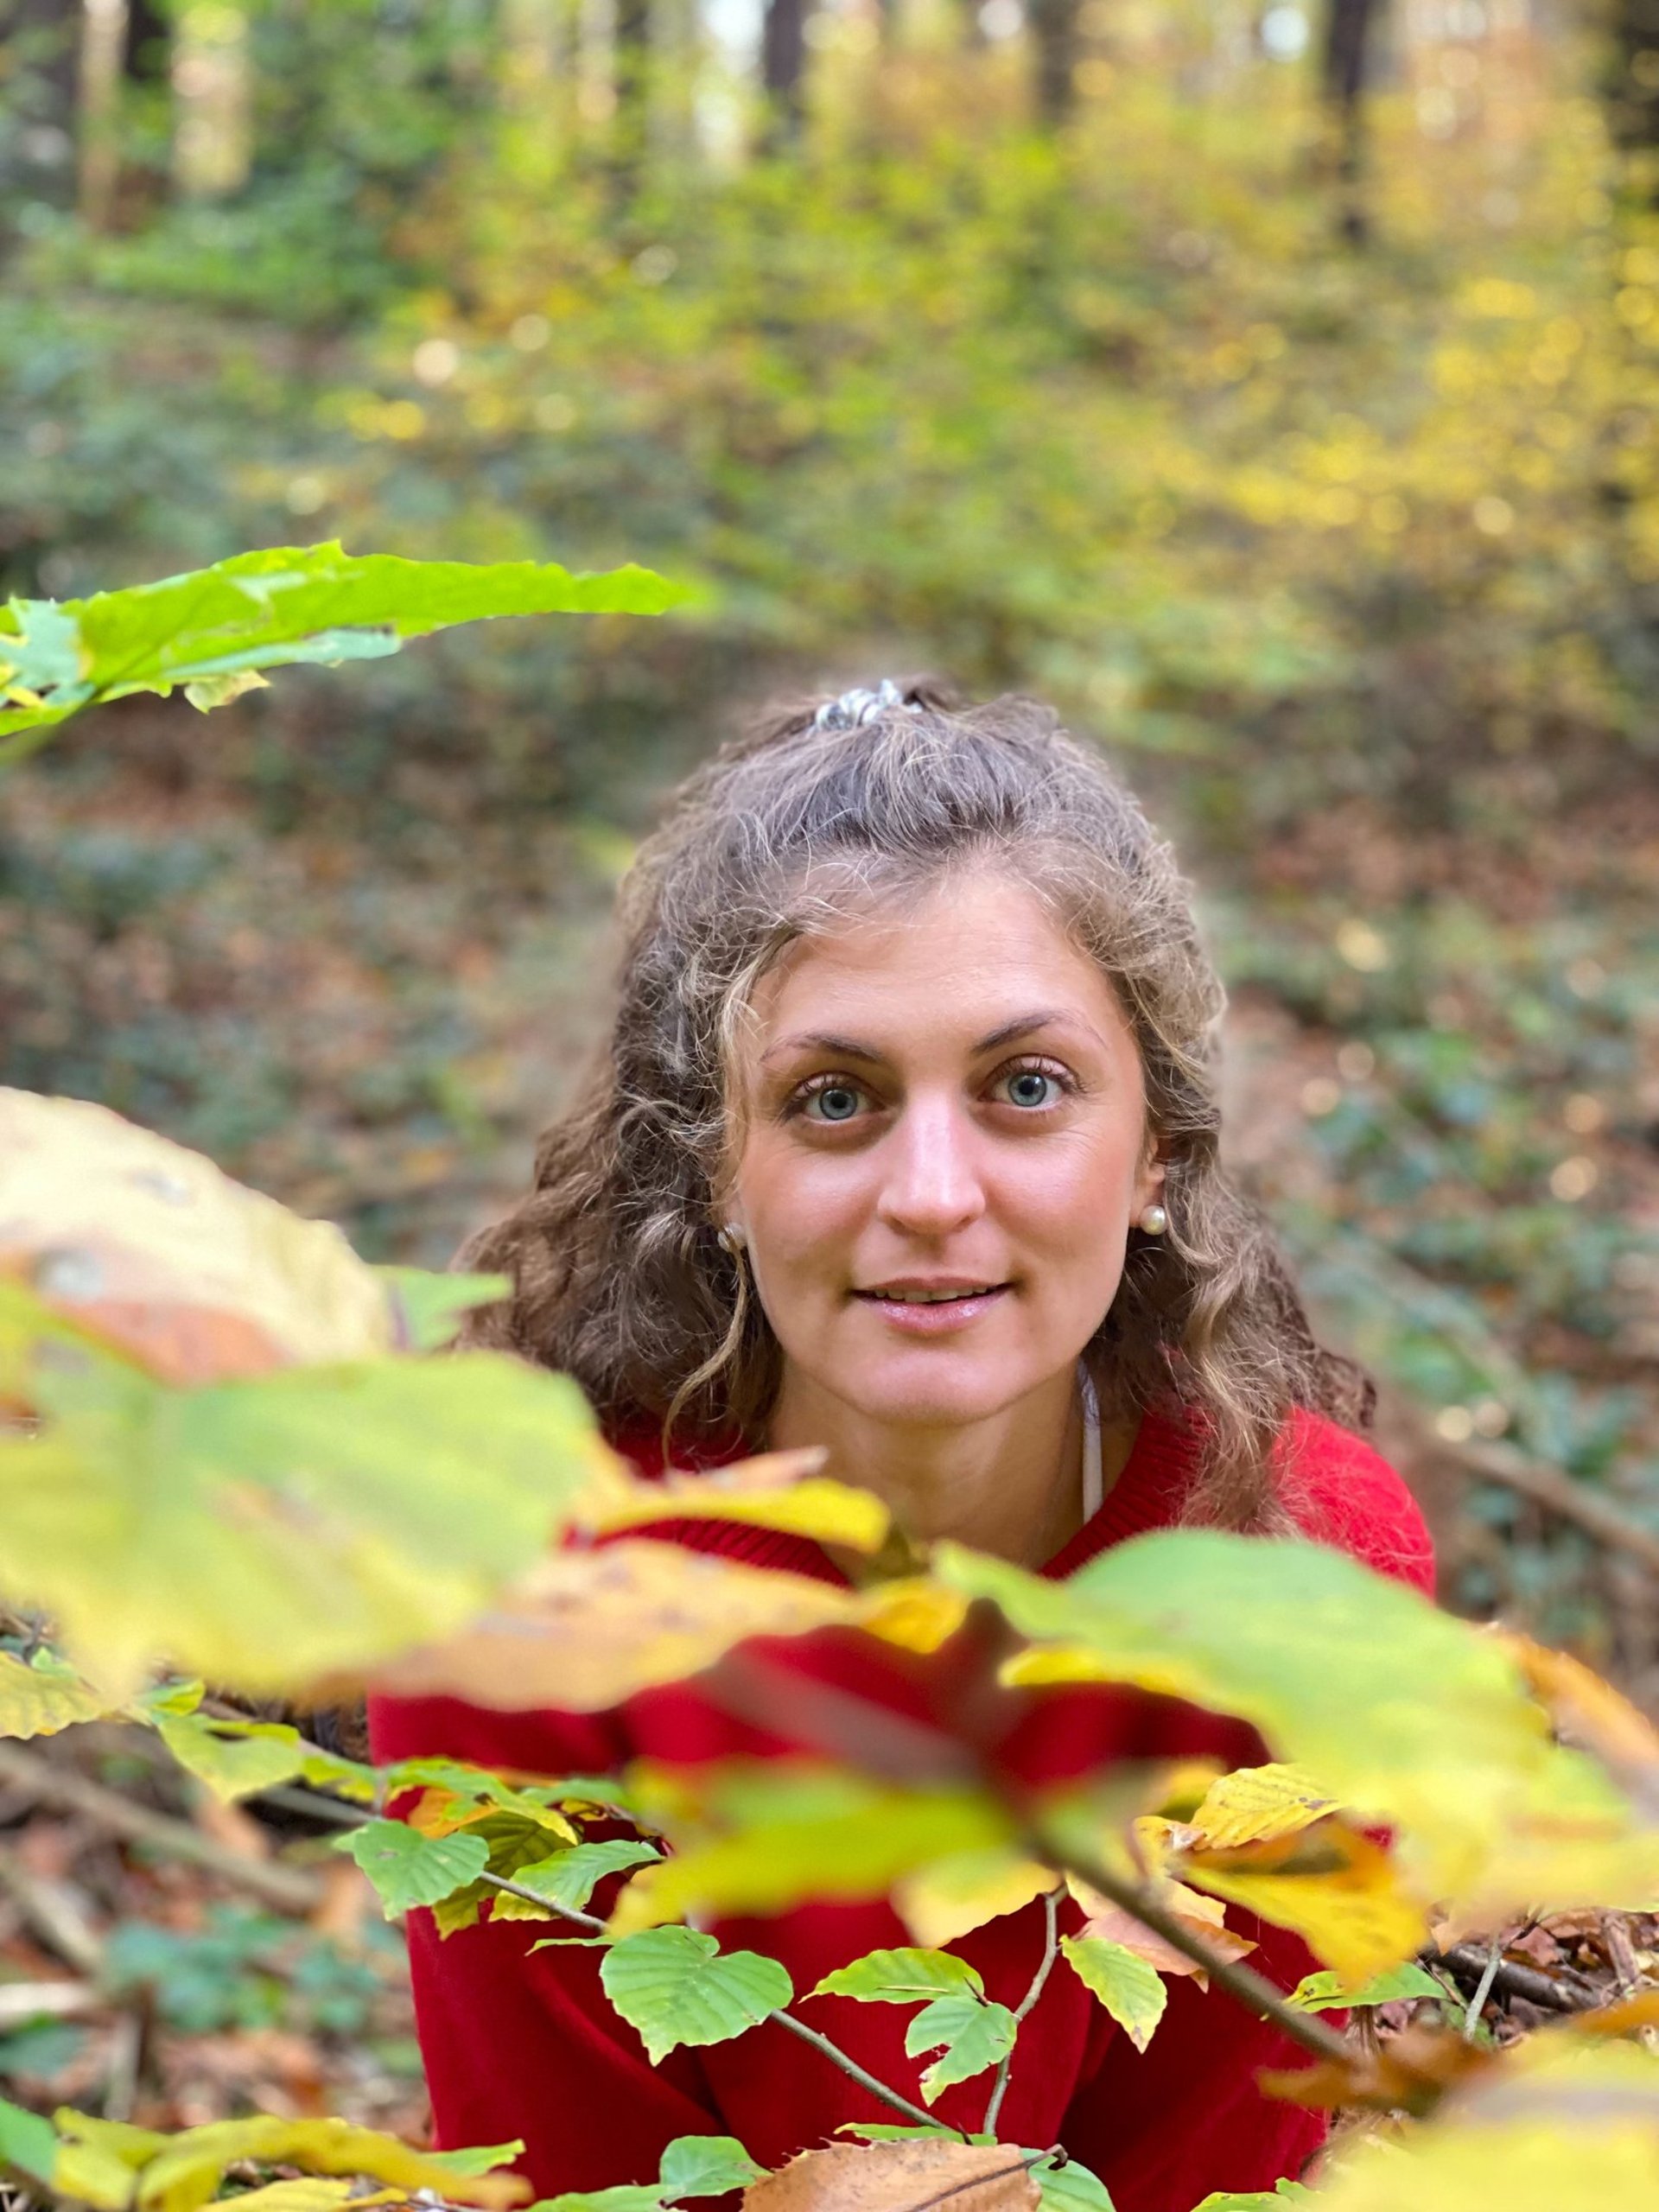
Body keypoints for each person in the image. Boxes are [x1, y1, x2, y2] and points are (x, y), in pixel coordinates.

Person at [369, 683, 1434, 2209]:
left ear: (1152, 1154)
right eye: (833, 1100)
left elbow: (1217, 2170)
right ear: (716, 1170)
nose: (933, 1192)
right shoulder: (516, 1595)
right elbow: (571, 2182)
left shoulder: (1314, 1563)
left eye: (1026, 1087)